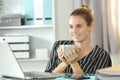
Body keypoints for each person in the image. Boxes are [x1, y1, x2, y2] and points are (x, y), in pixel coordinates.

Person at [45, 4, 112, 74]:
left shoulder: (101, 55)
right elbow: (46, 77)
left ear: (90, 26)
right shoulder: (58, 46)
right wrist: (64, 63)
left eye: (79, 26)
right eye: (71, 27)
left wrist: (73, 63)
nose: (74, 31)